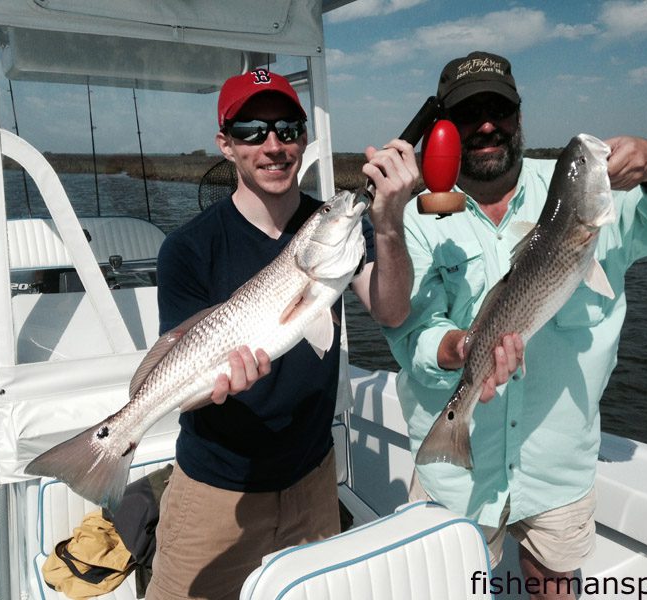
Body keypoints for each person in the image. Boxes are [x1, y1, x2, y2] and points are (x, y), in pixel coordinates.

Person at [382, 51, 647, 600]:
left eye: (501, 108)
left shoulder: (589, 195)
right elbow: (408, 330)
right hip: (457, 480)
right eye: (471, 114)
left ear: (520, 116)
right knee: (447, 589)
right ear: (444, 126)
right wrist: (461, 347)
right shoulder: (416, 211)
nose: (488, 124)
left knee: (555, 586)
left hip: (558, 465)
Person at [146, 68, 418, 599]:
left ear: (303, 139)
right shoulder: (187, 248)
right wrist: (212, 387)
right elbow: (183, 378)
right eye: (251, 130)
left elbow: (391, 310)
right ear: (226, 144)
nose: (273, 145)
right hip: (216, 491)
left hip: (313, 480)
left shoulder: (335, 228)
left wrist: (388, 223)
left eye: (288, 128)